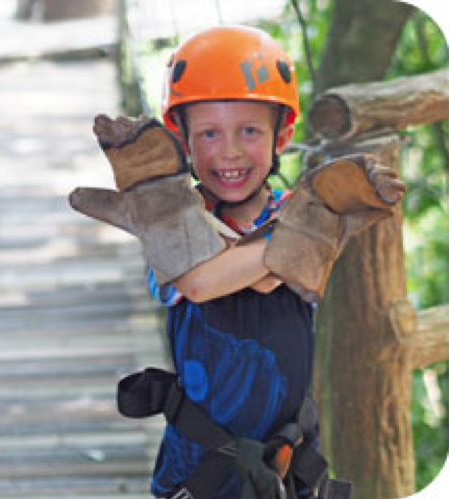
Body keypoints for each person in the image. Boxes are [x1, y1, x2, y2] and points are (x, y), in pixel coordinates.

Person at [69, 25, 405, 499]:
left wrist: (294, 243)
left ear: (282, 135)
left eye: (249, 131)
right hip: (200, 465)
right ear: (182, 141)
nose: (228, 151)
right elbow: (201, 283)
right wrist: (294, 244)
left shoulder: (303, 209)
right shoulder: (174, 222)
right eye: (209, 134)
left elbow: (270, 283)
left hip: (289, 462)